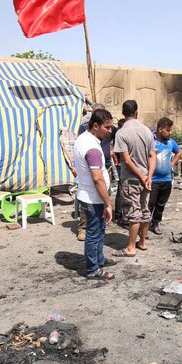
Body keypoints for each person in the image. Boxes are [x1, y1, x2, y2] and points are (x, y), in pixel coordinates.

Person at [73, 108, 116, 280]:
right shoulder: (93, 148)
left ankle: (99, 260)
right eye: (107, 127)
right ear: (96, 126)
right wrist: (108, 204)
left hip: (87, 194)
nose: (110, 131)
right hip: (94, 198)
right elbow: (98, 179)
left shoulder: (82, 139)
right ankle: (93, 269)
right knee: (94, 233)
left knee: (99, 231)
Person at [113, 100, 155, 256]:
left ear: (123, 113)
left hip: (131, 179)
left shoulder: (122, 132)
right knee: (144, 210)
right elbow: (152, 155)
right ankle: (142, 242)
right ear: (137, 112)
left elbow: (126, 160)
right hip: (146, 179)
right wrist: (148, 176)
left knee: (134, 212)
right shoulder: (147, 131)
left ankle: (131, 247)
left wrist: (142, 176)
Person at [149, 117, 181, 235]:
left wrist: (172, 164)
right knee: (150, 204)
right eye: (168, 130)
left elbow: (179, 152)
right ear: (160, 129)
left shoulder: (171, 142)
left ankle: (155, 223)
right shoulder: (150, 140)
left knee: (161, 204)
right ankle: (144, 226)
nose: (170, 132)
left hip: (166, 179)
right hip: (152, 180)